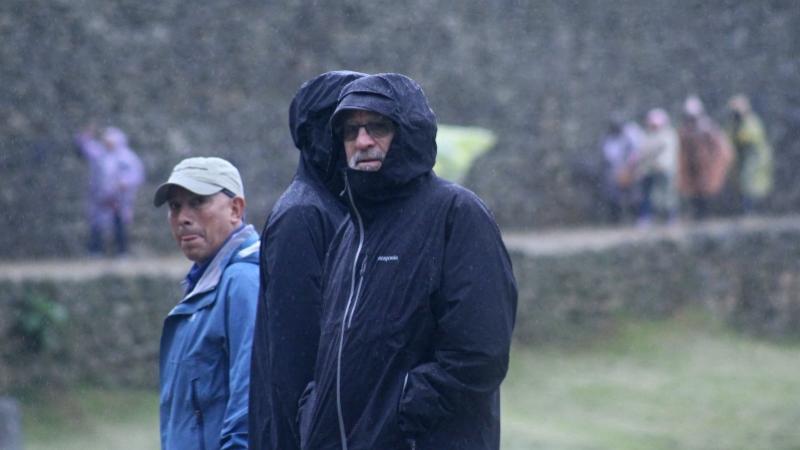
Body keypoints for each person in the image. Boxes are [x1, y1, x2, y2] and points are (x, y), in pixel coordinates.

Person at [296, 73, 518, 450]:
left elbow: (479, 354)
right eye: (351, 131)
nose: (362, 141)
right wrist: (313, 409)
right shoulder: (349, 233)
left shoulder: (455, 215)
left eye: (378, 126)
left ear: (409, 132)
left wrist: (402, 412)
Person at [248, 70, 365, 450]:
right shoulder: (303, 216)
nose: (361, 141)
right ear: (322, 135)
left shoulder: (336, 207)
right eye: (348, 128)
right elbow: (297, 356)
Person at [154, 157, 259, 450]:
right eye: (175, 207)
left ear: (235, 209)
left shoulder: (242, 282)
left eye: (198, 202)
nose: (182, 217)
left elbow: (250, 399)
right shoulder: (206, 280)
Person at [74, 125, 144, 255]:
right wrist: (84, 136)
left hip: (120, 198)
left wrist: (124, 182)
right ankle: (95, 250)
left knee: (119, 223)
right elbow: (85, 148)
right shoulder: (101, 154)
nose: (108, 144)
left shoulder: (127, 157)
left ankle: (122, 251)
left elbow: (136, 174)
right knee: (97, 224)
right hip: (100, 197)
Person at [677, 95, 734, 220]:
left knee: (705, 190)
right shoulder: (685, 130)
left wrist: (713, 161)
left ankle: (705, 215)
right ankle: (697, 214)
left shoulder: (707, 127)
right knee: (694, 191)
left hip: (705, 165)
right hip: (691, 165)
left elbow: (721, 147)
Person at [726, 94, 774, 214]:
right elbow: (728, 137)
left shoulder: (751, 121)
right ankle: (745, 209)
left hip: (753, 157)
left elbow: (753, 137)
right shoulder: (733, 124)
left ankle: (752, 209)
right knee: (741, 184)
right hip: (740, 157)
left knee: (750, 184)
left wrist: (740, 137)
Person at [634, 108, 680, 224]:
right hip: (649, 170)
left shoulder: (668, 135)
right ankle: (645, 217)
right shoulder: (648, 136)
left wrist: (659, 163)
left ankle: (671, 217)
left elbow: (668, 153)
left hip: (664, 169)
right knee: (646, 194)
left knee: (667, 195)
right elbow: (642, 153)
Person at [600, 116, 642, 223]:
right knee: (614, 196)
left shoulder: (628, 137)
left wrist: (629, 167)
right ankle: (616, 219)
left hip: (628, 169)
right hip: (613, 171)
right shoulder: (607, 139)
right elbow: (607, 155)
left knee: (633, 195)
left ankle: (636, 218)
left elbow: (634, 153)